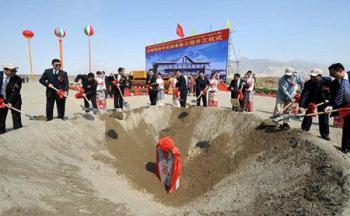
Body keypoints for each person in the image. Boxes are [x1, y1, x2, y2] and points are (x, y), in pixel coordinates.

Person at [299, 69, 331, 140]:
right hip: (311, 100)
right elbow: (304, 95)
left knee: (324, 116)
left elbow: (332, 91)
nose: (311, 77)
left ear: (320, 76)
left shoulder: (327, 81)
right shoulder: (308, 83)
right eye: (311, 76)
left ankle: (324, 134)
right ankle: (304, 129)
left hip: (323, 100)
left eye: (314, 76)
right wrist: (301, 106)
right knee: (308, 115)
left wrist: (328, 98)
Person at [325, 63, 350, 153]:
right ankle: (345, 147)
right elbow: (333, 97)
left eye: (333, 74)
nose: (332, 76)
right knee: (347, 127)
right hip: (346, 108)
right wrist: (330, 106)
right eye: (330, 74)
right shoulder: (334, 83)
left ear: (341, 71)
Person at [0, 63, 23, 134]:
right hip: (1, 98)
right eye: (12, 70)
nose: (14, 72)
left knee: (16, 114)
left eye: (15, 70)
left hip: (14, 99)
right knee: (1, 115)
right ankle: (1, 130)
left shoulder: (18, 79)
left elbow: (15, 92)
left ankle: (18, 129)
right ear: (5, 70)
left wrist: (9, 102)